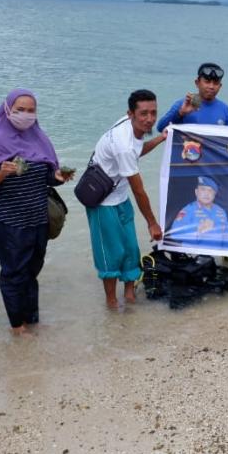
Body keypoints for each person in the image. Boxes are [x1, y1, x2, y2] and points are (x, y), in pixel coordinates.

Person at [0, 90, 73, 335]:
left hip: (38, 219)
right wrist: (1, 173)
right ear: (8, 110)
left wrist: (59, 177)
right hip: (10, 223)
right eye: (20, 109)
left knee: (32, 272)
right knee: (13, 274)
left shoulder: (39, 138)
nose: (26, 115)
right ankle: (16, 326)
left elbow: (48, 178)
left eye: (31, 110)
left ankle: (32, 320)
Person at [88, 90, 165, 309]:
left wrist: (161, 137)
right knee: (111, 255)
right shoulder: (123, 144)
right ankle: (111, 304)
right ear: (129, 114)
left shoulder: (130, 128)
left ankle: (130, 298)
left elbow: (137, 151)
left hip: (120, 197)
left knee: (131, 249)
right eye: (143, 114)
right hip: (103, 202)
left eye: (153, 113)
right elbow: (139, 190)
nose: (149, 119)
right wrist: (152, 222)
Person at [156, 63, 228, 131]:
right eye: (207, 82)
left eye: (216, 83)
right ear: (197, 83)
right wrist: (180, 113)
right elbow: (160, 128)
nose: (211, 86)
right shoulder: (183, 105)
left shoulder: (225, 109)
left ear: (220, 86)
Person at [167, 176, 228, 250]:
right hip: (194, 257)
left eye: (210, 190)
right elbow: (174, 235)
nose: (206, 194)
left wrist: (227, 254)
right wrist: (197, 231)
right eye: (203, 189)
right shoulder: (187, 210)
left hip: (216, 256)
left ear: (215, 194)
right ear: (196, 192)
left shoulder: (221, 211)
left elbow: (226, 238)